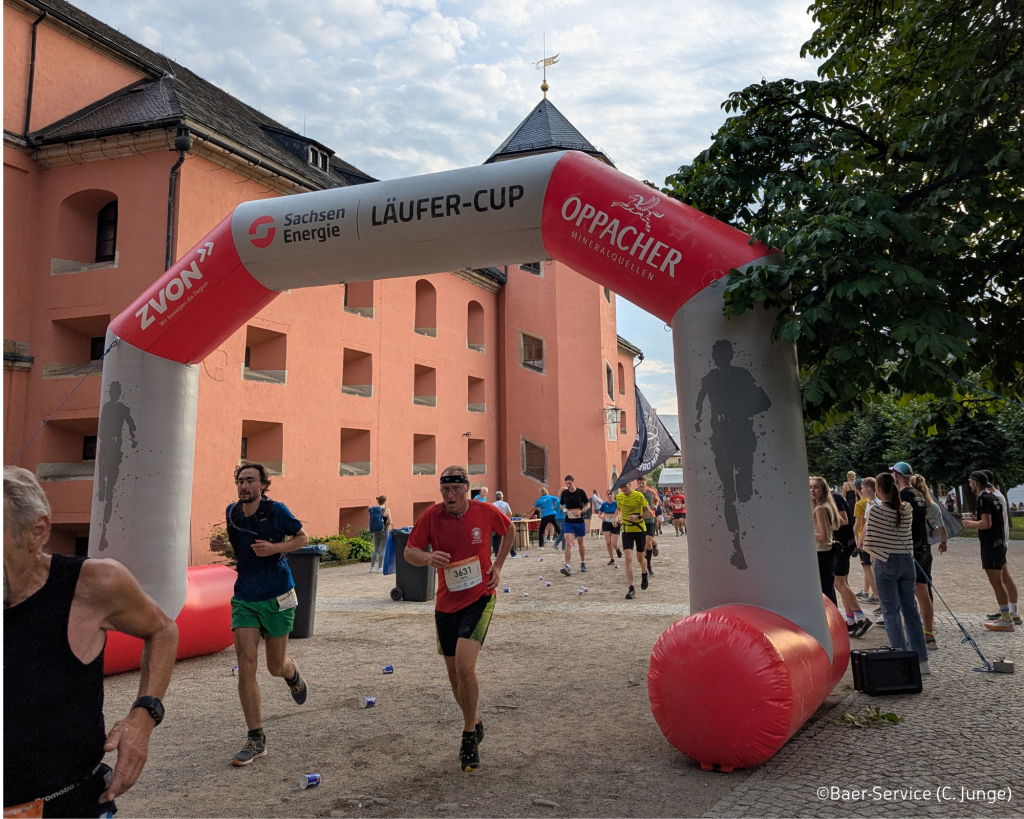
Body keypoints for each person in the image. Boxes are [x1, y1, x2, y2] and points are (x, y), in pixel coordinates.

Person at [4, 466, 179, 817]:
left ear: (37, 532)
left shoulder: (92, 585)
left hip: (70, 805)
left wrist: (144, 716)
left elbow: (162, 630)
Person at [404, 465, 511, 771]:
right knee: (454, 677)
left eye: (454, 490)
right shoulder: (431, 517)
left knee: (465, 666)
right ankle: (474, 720)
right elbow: (409, 551)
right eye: (444, 491)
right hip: (445, 604)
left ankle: (467, 737)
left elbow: (510, 530)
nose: (449, 496)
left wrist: (498, 566)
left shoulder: (485, 511)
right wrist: (427, 557)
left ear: (467, 489)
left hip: (480, 598)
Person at [210, 462, 310, 766]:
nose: (244, 486)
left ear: (263, 485)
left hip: (278, 594)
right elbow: (241, 548)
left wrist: (276, 547)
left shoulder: (277, 511)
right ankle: (256, 738)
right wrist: (223, 544)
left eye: (250, 481)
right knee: (246, 665)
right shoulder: (232, 513)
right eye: (240, 480)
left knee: (274, 666)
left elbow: (303, 538)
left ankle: (291, 674)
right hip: (245, 598)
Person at [862, 472, 930, 675]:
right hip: (906, 560)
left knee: (890, 612)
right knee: (910, 610)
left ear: (878, 489)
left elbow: (868, 541)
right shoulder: (906, 508)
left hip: (885, 561)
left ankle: (901, 659)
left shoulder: (876, 510)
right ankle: (922, 660)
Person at [962, 471, 1019, 631]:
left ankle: (1006, 619)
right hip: (1000, 543)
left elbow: (986, 524)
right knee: (1002, 579)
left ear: (976, 482)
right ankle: (1007, 615)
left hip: (991, 546)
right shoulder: (994, 498)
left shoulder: (983, 499)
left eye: (970, 482)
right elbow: (994, 521)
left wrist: (970, 524)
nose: (969, 484)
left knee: (997, 583)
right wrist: (976, 521)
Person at [889, 462, 933, 651]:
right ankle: (928, 633)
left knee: (910, 595)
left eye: (892, 474)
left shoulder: (905, 494)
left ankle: (916, 636)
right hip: (924, 546)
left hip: (911, 547)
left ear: (897, 476)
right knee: (923, 592)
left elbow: (899, 520)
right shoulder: (918, 493)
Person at [910, 474, 947, 643]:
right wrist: (944, 542)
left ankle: (923, 624)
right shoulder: (933, 506)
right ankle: (928, 620)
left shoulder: (913, 505)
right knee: (926, 584)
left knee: (917, 588)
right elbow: (941, 527)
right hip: (928, 547)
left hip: (915, 547)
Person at [830, 484, 869, 635]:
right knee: (843, 583)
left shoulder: (833, 497)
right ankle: (851, 621)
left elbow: (843, 520)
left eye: (815, 487)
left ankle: (862, 618)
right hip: (845, 543)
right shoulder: (834, 496)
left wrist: (823, 521)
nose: (812, 491)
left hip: (842, 544)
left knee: (838, 582)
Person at [616, 480, 652, 598]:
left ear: (630, 485)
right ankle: (631, 588)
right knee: (628, 558)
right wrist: (616, 518)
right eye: (622, 488)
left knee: (640, 559)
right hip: (626, 531)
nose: (624, 490)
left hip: (639, 530)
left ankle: (644, 572)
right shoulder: (619, 497)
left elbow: (649, 513)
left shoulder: (639, 496)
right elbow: (619, 510)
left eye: (625, 487)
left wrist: (638, 517)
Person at [810, 476, 840, 606]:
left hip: (821, 552)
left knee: (824, 591)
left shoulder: (820, 509)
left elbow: (823, 536)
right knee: (828, 589)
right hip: (828, 552)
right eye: (811, 487)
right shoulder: (827, 506)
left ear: (823, 490)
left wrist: (806, 533)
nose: (812, 490)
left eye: (816, 487)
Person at [852, 476, 880, 605]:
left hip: (866, 540)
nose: (861, 490)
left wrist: (857, 539)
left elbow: (860, 524)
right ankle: (866, 590)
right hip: (873, 539)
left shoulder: (862, 504)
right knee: (868, 567)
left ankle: (876, 594)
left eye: (863, 488)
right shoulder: (873, 502)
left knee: (867, 567)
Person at [559, 475, 590, 576]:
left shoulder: (581, 492)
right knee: (568, 542)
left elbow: (587, 504)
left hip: (579, 520)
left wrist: (581, 511)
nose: (568, 485)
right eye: (566, 483)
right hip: (568, 521)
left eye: (570, 483)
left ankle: (582, 562)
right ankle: (567, 565)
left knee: (581, 543)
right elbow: (561, 505)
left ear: (573, 482)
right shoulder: (564, 493)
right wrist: (564, 510)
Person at [636, 475, 661, 576]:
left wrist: (656, 505)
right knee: (647, 542)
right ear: (637, 484)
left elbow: (658, 500)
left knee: (648, 543)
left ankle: (649, 565)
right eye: (639, 483)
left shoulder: (651, 492)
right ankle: (655, 544)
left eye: (643, 482)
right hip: (640, 520)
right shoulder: (635, 493)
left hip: (650, 520)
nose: (641, 484)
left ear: (645, 483)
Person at [368, 495, 391, 573]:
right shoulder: (386, 510)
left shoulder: (374, 510)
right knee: (382, 549)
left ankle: (371, 567)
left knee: (376, 549)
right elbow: (390, 522)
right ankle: (379, 568)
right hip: (384, 531)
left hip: (375, 531)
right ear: (385, 501)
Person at [599, 489, 622, 564]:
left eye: (611, 494)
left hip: (615, 523)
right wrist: (603, 517)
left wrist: (618, 519)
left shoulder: (617, 504)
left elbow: (620, 512)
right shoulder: (604, 504)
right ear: (606, 496)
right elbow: (599, 514)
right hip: (606, 524)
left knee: (614, 543)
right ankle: (612, 559)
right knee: (608, 542)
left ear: (613, 495)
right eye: (608, 494)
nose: (610, 496)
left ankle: (617, 548)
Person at [491, 492, 516, 558]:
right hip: (505, 522)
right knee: (508, 538)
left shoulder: (492, 505)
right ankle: (513, 554)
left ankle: (496, 554)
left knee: (497, 539)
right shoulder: (505, 504)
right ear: (502, 497)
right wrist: (504, 516)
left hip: (496, 523)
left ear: (495, 497)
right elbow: (510, 513)